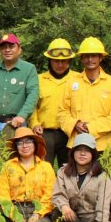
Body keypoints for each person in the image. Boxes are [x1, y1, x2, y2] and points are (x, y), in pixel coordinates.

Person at [58, 37, 111, 153]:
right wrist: (75, 124)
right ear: (81, 58)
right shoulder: (71, 82)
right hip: (77, 144)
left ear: (101, 57)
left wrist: (91, 129)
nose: (90, 59)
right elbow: (62, 112)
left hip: (103, 145)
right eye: (86, 56)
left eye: (93, 55)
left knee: (104, 172)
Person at [51, 133, 111, 222]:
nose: (82, 153)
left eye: (87, 150)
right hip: (72, 216)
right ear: (73, 152)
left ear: (93, 154)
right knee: (57, 212)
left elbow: (103, 208)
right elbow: (57, 195)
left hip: (91, 219)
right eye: (79, 150)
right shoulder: (63, 172)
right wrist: (64, 206)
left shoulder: (102, 177)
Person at [0, 33, 39, 147]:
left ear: (19, 49)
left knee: (15, 162)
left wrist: (22, 115)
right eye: (3, 47)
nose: (7, 50)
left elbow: (33, 94)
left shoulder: (29, 69)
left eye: (11, 46)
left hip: (17, 126)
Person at [0, 127, 55, 222]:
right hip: (15, 208)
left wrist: (37, 214)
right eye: (20, 143)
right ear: (15, 147)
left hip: (38, 209)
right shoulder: (8, 166)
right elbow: (4, 197)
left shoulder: (46, 167)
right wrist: (15, 216)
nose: (25, 146)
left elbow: (49, 195)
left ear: (35, 144)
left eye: (28, 141)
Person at [29, 38, 77, 167]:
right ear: (50, 60)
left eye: (64, 61)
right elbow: (32, 105)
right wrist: (34, 123)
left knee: (69, 170)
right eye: (56, 61)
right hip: (45, 133)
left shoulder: (78, 79)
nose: (60, 65)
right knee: (42, 168)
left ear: (69, 61)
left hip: (70, 133)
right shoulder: (38, 79)